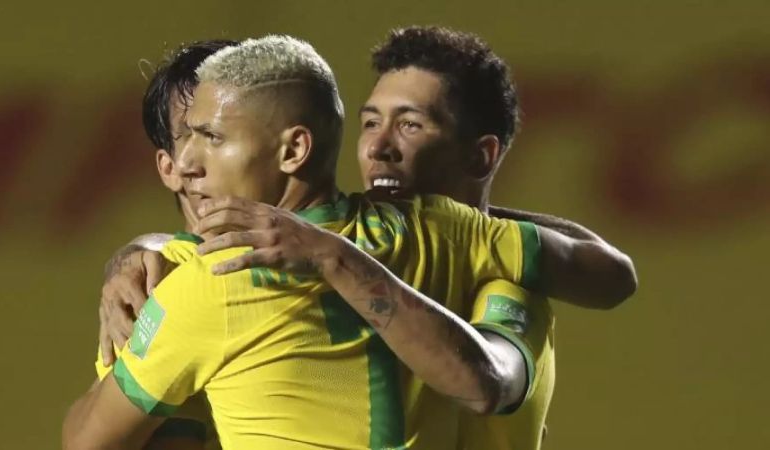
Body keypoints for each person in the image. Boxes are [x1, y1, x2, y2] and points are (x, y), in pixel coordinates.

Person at [64, 35, 635, 449]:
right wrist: (142, 248)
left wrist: (330, 253)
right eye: (369, 122)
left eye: (410, 124)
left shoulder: (490, 266)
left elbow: (489, 381)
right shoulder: (190, 274)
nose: (379, 147)